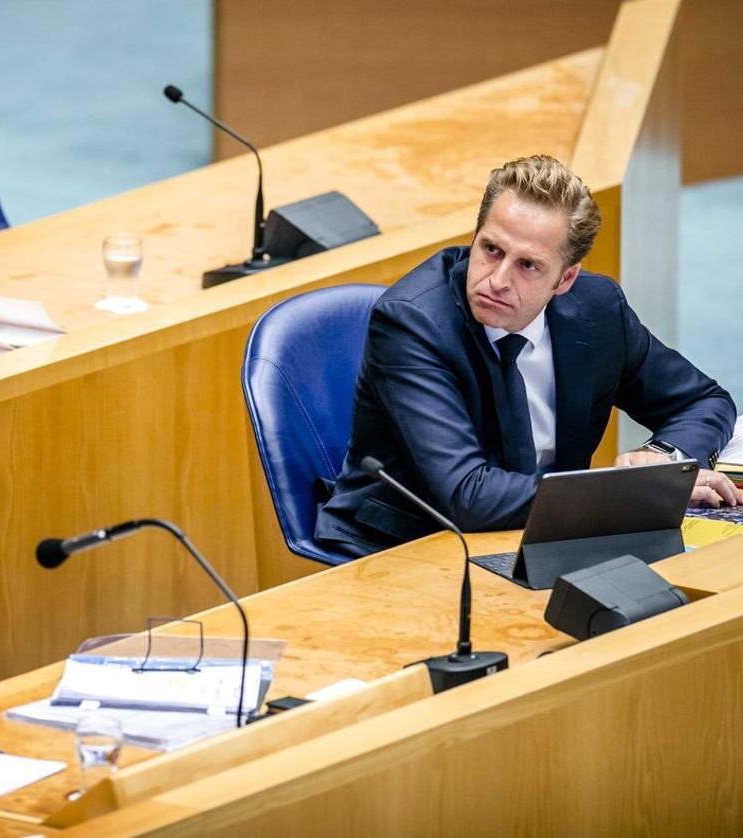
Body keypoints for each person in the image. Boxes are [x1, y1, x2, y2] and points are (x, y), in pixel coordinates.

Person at [315, 155, 739, 559]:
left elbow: (703, 401)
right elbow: (468, 496)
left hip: (546, 534)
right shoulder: (413, 325)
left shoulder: (597, 310)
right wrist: (628, 490)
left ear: (565, 278)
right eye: (492, 250)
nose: (497, 280)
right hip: (414, 542)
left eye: (528, 266)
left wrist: (664, 462)